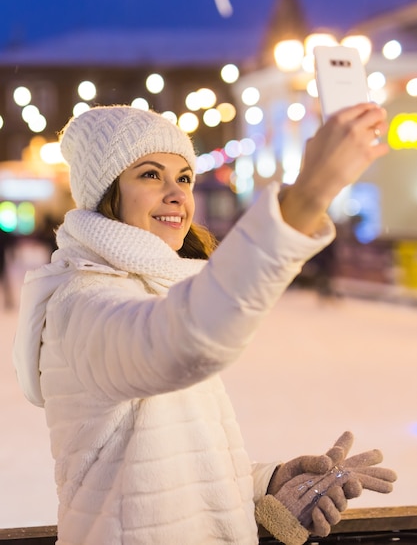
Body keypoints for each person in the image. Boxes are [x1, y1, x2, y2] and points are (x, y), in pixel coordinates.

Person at [13, 103, 395, 545]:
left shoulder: (157, 293)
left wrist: (269, 484)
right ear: (105, 192)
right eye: (151, 174)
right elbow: (183, 342)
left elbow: (164, 473)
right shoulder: (82, 304)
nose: (177, 194)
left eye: (185, 178)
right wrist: (307, 196)